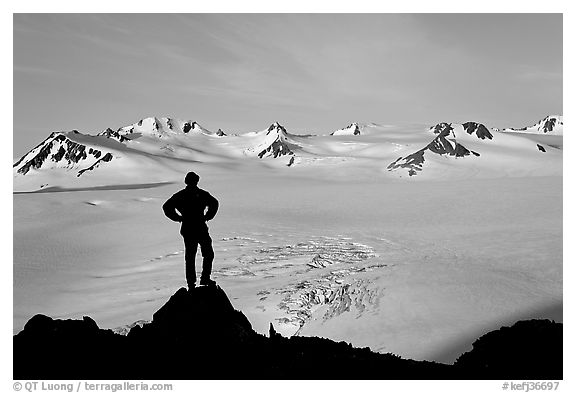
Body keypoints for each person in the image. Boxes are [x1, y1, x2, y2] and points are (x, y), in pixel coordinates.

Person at [163, 171, 219, 289]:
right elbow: (214, 203)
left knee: (191, 256)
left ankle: (192, 283)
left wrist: (179, 218)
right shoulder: (202, 194)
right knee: (207, 254)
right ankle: (204, 279)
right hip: (199, 227)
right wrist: (207, 216)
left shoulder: (180, 195)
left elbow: (166, 207)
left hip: (189, 228)